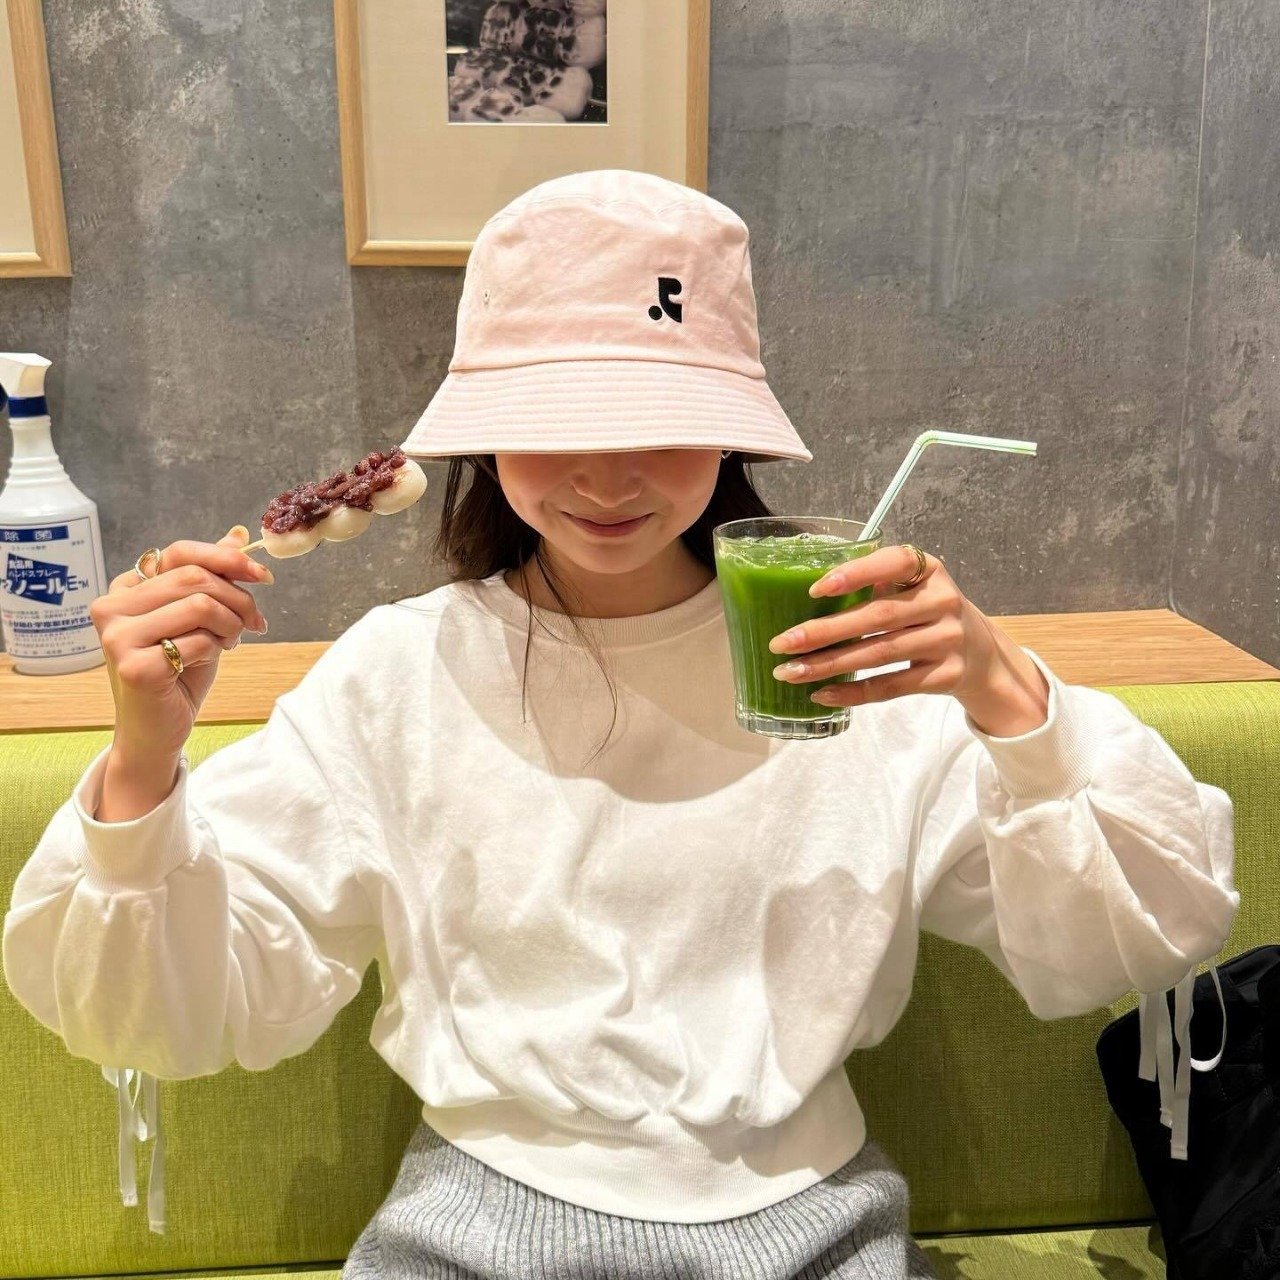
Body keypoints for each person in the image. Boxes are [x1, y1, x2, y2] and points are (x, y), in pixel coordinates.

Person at [2, 169, 1239, 1278]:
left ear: (733, 425)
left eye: (660, 417)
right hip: (469, 1222)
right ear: (484, 432)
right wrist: (144, 758)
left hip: (813, 1221)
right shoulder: (401, 672)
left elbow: (1133, 933)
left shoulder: (846, 656)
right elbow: (167, 1010)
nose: (606, 475)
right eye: (553, 421)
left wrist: (1008, 701)